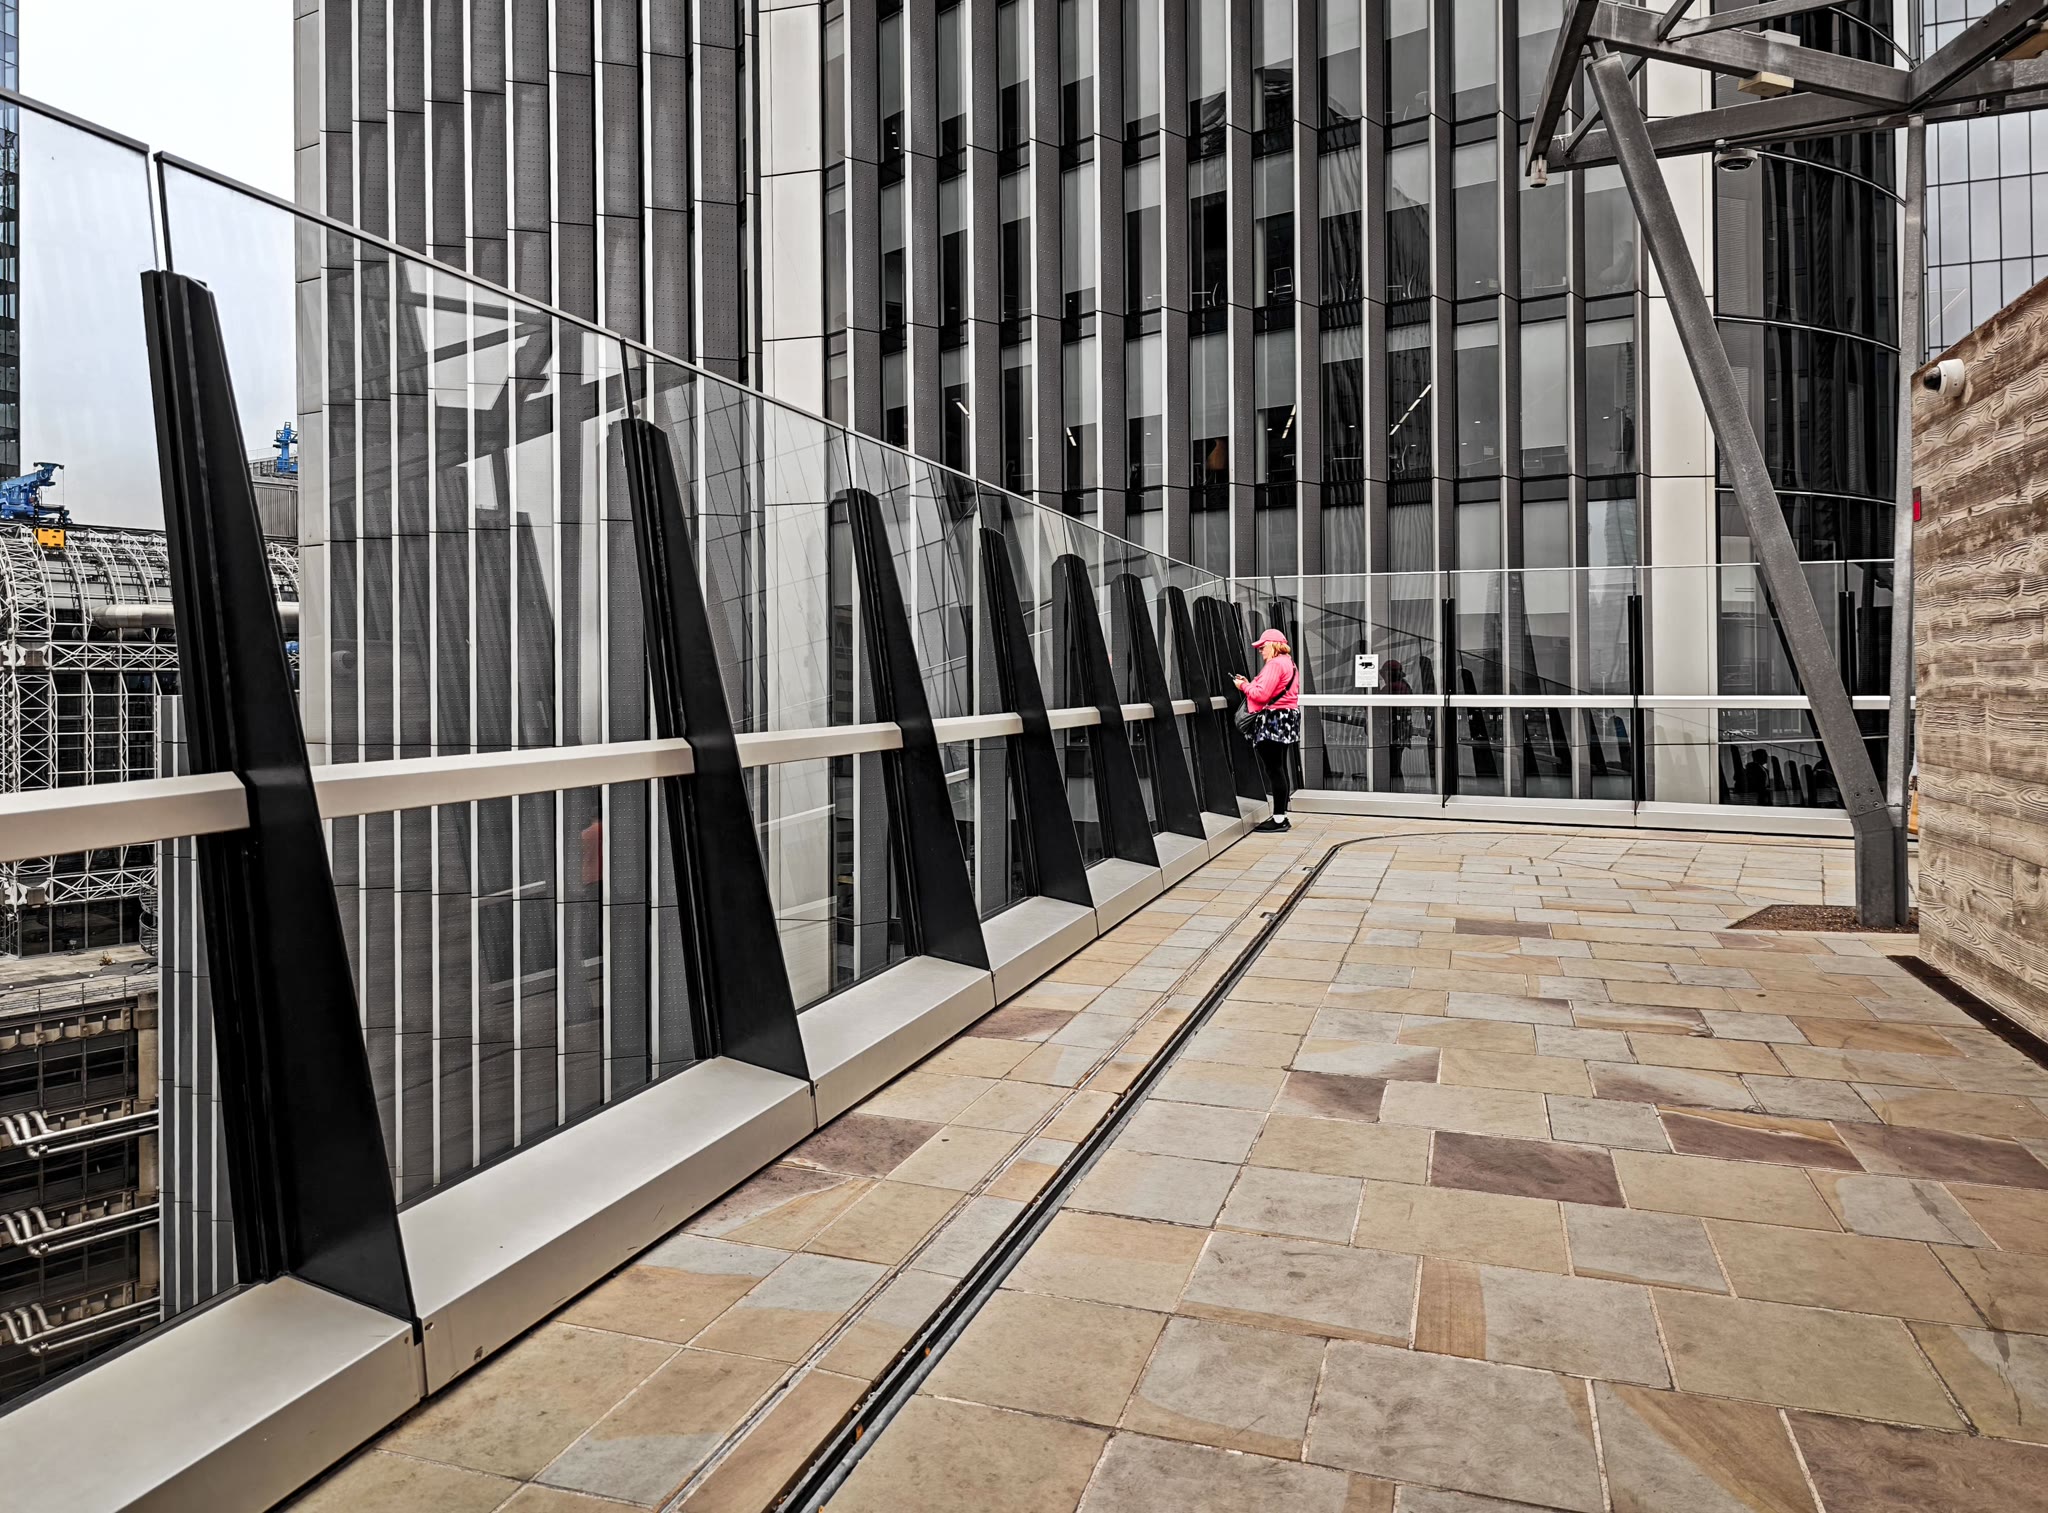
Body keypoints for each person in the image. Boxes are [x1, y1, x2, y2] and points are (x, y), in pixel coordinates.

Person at [1234, 628, 1301, 832]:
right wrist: (1249, 683)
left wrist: (1242, 686)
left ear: (1273, 645)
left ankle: (1279, 819)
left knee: (1274, 770)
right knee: (1279, 768)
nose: (1260, 650)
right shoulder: (1289, 663)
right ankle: (1281, 815)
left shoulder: (1275, 664)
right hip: (1286, 720)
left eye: (1263, 646)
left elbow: (1262, 695)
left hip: (1273, 721)